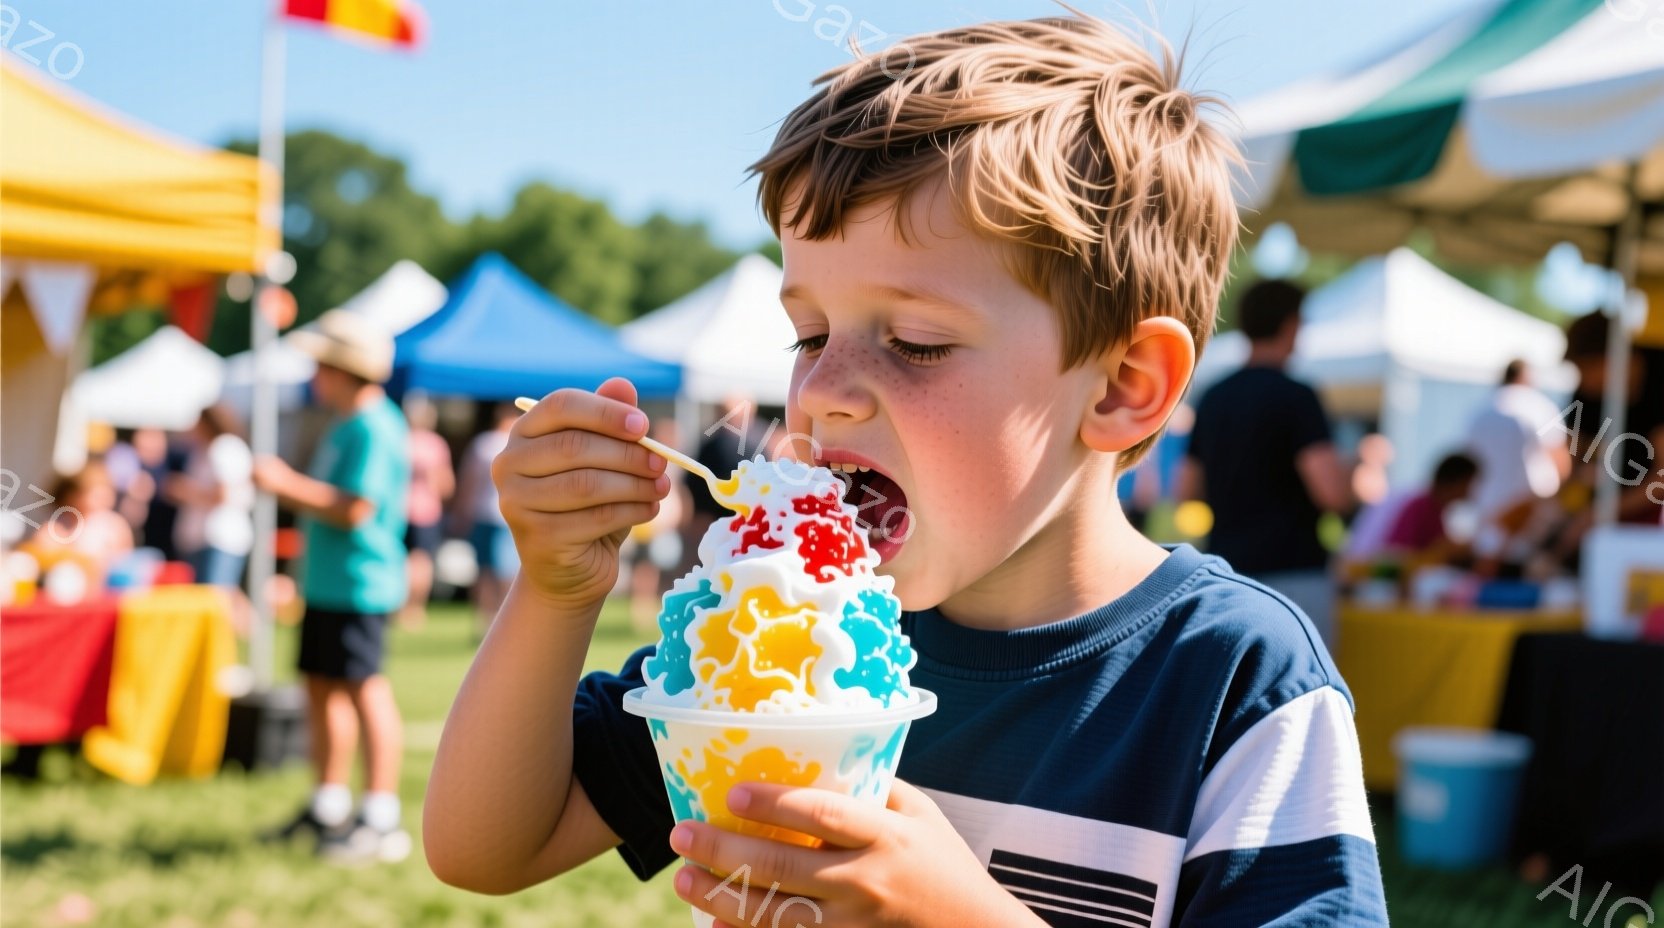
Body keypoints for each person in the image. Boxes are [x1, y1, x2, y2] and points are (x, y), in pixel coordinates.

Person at [426, 16, 1385, 926]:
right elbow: (488, 847)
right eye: (808, 335)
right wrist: (558, 591)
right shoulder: (782, 636)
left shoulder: (1240, 684)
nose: (823, 392)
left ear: (1122, 387)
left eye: (915, 341)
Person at [253, 310, 411, 865]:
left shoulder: (375, 426)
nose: (315, 374)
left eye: (323, 364)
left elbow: (355, 508)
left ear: (345, 370)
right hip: (329, 584)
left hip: (359, 585)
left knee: (364, 690)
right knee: (320, 689)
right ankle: (328, 805)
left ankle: (380, 818)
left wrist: (283, 484)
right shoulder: (348, 425)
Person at [1179, 279, 1353, 647]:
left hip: (1227, 572)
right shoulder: (1297, 396)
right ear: (1290, 325)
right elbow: (1332, 494)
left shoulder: (1214, 396)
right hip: (1293, 573)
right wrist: (1353, 472)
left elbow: (1186, 489)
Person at [1466, 360, 1569, 525]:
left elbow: (1468, 458)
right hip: (1531, 506)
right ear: (1526, 378)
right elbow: (1559, 456)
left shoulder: (1479, 409)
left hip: (1488, 504)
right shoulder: (1539, 406)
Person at [453, 403, 519, 636]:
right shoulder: (517, 445)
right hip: (505, 517)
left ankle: (487, 620)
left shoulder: (483, 443)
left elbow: (468, 482)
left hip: (485, 514)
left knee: (486, 572)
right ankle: (504, 621)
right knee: (505, 572)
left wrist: (462, 512)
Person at [171, 405, 255, 589]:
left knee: (215, 601)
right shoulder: (206, 449)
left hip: (218, 538)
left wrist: (187, 491)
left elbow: (224, 494)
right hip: (205, 539)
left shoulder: (223, 447)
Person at [400, 395, 454, 629]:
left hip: (399, 508)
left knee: (402, 560)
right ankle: (415, 608)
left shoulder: (400, 440)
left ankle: (402, 607)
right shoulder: (434, 444)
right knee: (421, 561)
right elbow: (444, 484)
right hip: (426, 511)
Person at [1384, 452, 1481, 561]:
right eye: (1469, 483)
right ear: (1456, 482)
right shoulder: (1420, 507)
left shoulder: (1435, 508)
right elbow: (1400, 553)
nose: (1471, 491)